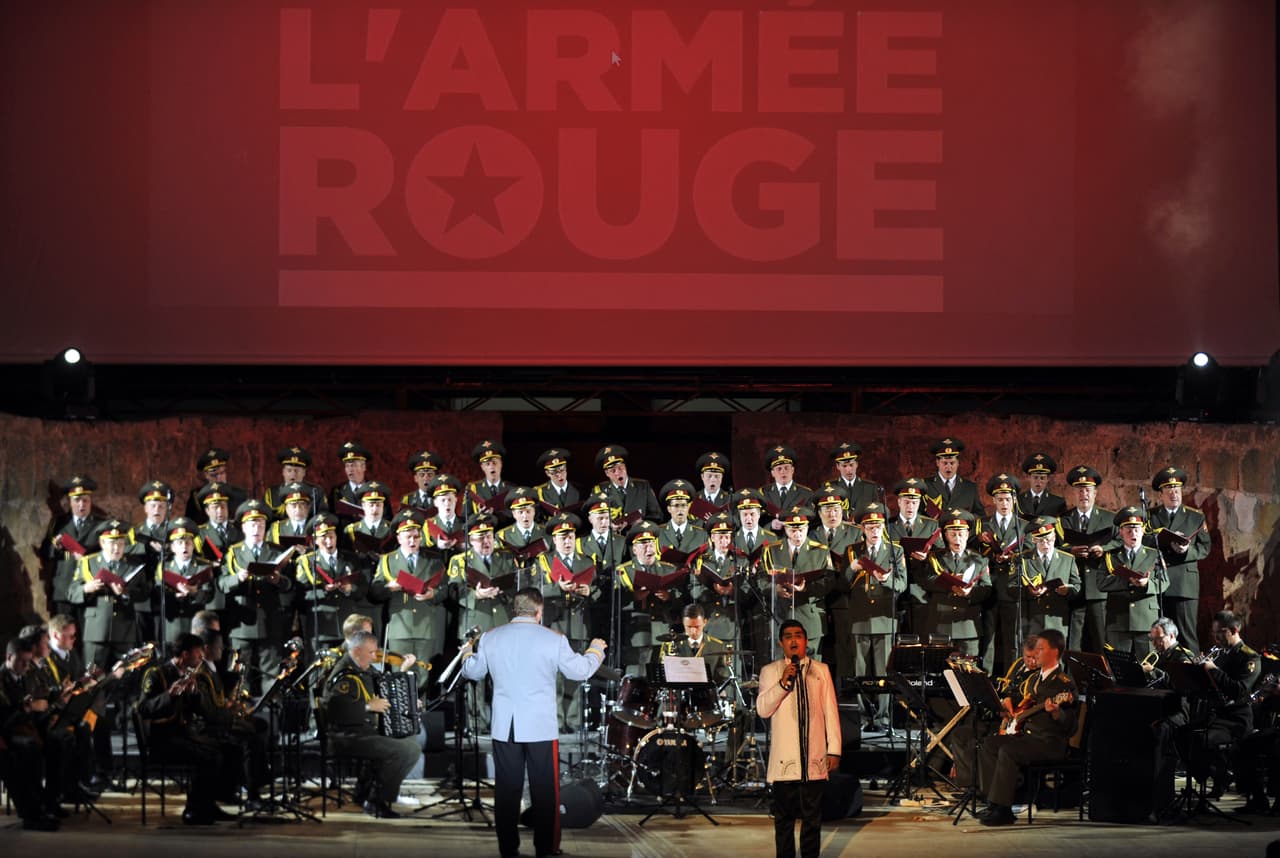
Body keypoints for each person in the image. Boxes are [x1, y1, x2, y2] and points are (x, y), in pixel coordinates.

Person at [460, 588, 606, 858]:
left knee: (507, 791)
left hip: (506, 726)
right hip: (539, 726)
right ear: (539, 612)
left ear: (514, 610)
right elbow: (580, 671)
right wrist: (596, 650)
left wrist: (468, 652)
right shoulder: (553, 639)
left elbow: (473, 672)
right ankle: (546, 848)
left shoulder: (491, 637)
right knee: (544, 790)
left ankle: (508, 849)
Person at [977, 629, 1078, 826]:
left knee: (1009, 750)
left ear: (1055, 652)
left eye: (1041, 649)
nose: (1036, 653)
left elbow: (1071, 726)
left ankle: (1003, 809)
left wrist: (1057, 713)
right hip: (1028, 737)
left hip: (1049, 742)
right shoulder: (1034, 679)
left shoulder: (1063, 682)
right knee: (989, 743)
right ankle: (993, 802)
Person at [758, 620, 841, 858]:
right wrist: (783, 683)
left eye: (798, 635)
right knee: (783, 822)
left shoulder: (821, 670)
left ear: (805, 640)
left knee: (812, 821)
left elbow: (831, 713)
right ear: (781, 642)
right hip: (785, 763)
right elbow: (763, 709)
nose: (793, 640)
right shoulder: (770, 671)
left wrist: (834, 749)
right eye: (788, 636)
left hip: (814, 760)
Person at [136, 633, 236, 825]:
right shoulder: (157, 674)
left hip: (184, 735)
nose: (200, 659)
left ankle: (207, 804)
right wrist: (170, 695)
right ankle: (194, 810)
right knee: (208, 756)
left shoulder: (192, 675)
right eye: (198, 655)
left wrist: (195, 694)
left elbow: (200, 712)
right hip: (162, 739)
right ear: (184, 655)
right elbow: (144, 708)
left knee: (226, 748)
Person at [321, 629, 421, 818]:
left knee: (412, 738)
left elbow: (386, 686)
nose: (376, 657)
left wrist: (407, 694)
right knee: (407, 750)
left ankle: (364, 791)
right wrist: (367, 707)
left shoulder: (363, 668)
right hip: (346, 737)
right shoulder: (344, 675)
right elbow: (335, 711)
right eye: (372, 653)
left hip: (365, 731)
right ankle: (377, 800)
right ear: (357, 651)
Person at [1146, 466, 1211, 654]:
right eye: (1169, 490)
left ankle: (1191, 679)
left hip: (1184, 583)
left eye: (1177, 490)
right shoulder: (1151, 516)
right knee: (1159, 635)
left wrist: (1186, 550)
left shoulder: (1195, 516)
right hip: (1159, 581)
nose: (1174, 494)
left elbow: (1205, 548)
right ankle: (1163, 677)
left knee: (1186, 634)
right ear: (1161, 494)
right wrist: (1161, 539)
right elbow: (1143, 543)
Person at [1099, 507, 1164, 657]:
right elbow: (1101, 583)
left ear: (1142, 531)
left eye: (1136, 529)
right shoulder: (1111, 556)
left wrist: (1147, 584)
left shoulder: (1154, 554)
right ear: (1121, 532)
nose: (1133, 533)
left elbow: (1164, 582)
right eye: (1128, 529)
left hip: (1146, 619)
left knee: (1147, 667)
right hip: (1119, 620)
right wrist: (1127, 582)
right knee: (1119, 668)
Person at [589, 444, 663, 528]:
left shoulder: (642, 487)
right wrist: (608, 526)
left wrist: (642, 523)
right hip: (614, 539)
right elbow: (593, 521)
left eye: (620, 468)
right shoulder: (599, 490)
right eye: (612, 470)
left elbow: (657, 516)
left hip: (638, 538)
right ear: (607, 473)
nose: (617, 473)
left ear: (625, 467)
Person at [922, 438, 986, 518]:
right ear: (937, 463)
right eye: (945, 463)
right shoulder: (925, 486)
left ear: (958, 463)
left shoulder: (970, 488)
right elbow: (916, 516)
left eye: (952, 463)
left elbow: (981, 517)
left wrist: (966, 518)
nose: (948, 467)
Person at [761, 445, 815, 532]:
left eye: (786, 468)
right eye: (779, 469)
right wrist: (771, 525)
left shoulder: (806, 494)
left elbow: (812, 521)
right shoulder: (762, 493)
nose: (783, 471)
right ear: (772, 473)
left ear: (793, 470)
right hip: (771, 540)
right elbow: (757, 521)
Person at [264, 446, 328, 516]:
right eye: (289, 470)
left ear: (304, 473)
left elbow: (323, 517)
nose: (293, 474)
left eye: (297, 471)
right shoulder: (271, 494)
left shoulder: (316, 492)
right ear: (283, 472)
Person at [1018, 453, 1068, 518]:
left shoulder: (1058, 502)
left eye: (1042, 478)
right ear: (1028, 477)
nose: (1038, 482)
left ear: (1048, 479)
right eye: (1035, 477)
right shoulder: (1018, 501)